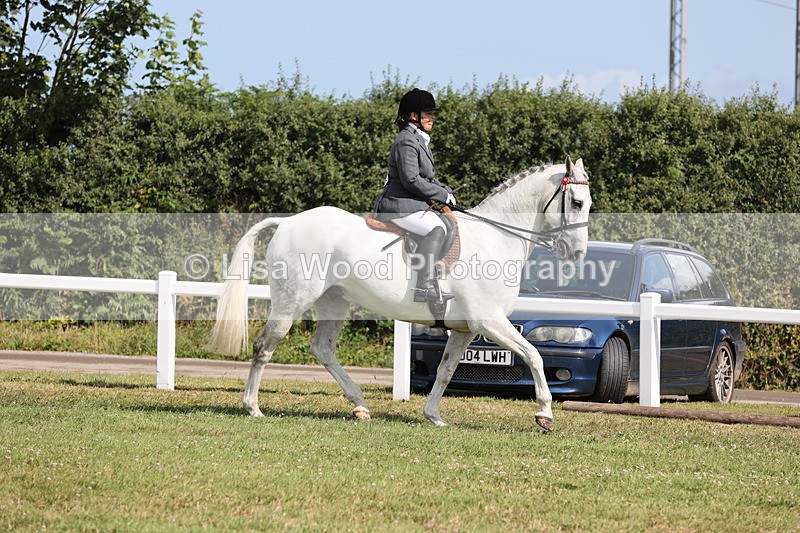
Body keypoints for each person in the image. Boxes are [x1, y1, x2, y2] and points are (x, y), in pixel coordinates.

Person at [373, 88, 456, 302]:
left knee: (450, 225)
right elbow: (411, 179)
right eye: (428, 113)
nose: (432, 118)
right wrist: (441, 195)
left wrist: (445, 191)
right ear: (413, 115)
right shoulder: (406, 141)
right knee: (436, 228)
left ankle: (434, 278)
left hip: (411, 203)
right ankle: (423, 286)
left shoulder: (418, 140)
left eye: (432, 114)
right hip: (398, 204)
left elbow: (427, 178)